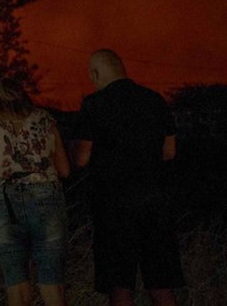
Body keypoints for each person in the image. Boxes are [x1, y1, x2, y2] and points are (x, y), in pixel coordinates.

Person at [73, 49, 184, 306]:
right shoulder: (154, 100)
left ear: (95, 73)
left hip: (114, 206)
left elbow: (82, 158)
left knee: (120, 285)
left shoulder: (94, 104)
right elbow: (169, 151)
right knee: (161, 284)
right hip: (155, 202)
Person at [0, 79, 71, 306]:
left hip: (3, 203)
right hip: (46, 198)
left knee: (16, 285)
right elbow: (64, 170)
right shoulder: (44, 120)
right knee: (52, 283)